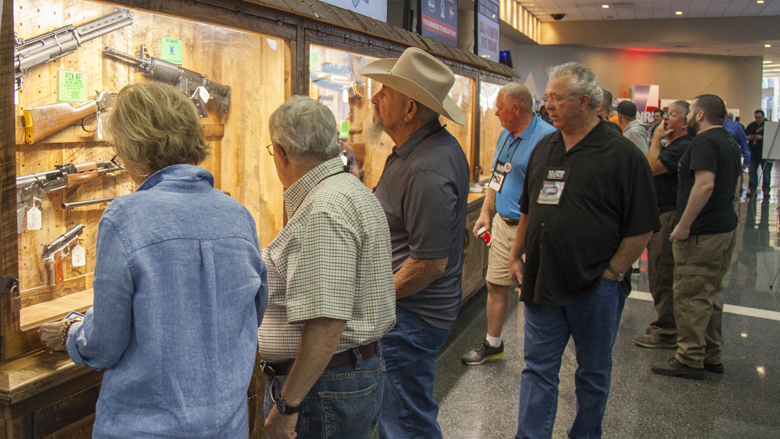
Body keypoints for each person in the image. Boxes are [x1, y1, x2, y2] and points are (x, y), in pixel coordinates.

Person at [38, 82, 269, 438]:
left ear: (134, 148)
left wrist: (71, 330)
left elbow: (105, 344)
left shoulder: (124, 218)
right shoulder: (238, 216)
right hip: (227, 427)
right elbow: (251, 314)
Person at [507, 62, 659, 439]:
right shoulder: (546, 147)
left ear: (586, 101)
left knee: (592, 372)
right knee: (537, 369)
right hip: (543, 280)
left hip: (595, 286)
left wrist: (612, 273)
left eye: (556, 98)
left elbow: (642, 225)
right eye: (547, 97)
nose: (548, 105)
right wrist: (515, 254)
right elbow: (529, 209)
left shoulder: (622, 155)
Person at [258, 96, 396, 439]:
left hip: (322, 388)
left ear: (280, 153)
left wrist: (288, 405)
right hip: (339, 379)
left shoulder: (324, 208)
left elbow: (326, 323)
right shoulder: (348, 190)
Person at [358, 47, 470, 439]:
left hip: (410, 319)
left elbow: (429, 263)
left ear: (409, 109)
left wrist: (374, 296)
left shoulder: (426, 167)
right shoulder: (419, 151)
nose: (375, 98)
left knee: (406, 423)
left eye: (385, 92)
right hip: (409, 314)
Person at [461, 83, 555, 366]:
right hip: (503, 224)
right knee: (495, 284)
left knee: (532, 292)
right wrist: (486, 211)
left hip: (533, 229)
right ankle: (493, 343)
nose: (495, 114)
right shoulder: (505, 134)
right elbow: (497, 174)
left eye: (499, 108)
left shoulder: (547, 138)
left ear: (516, 108)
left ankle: (539, 357)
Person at [651, 94, 741, 380]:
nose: (688, 117)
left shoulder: (703, 142)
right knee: (711, 293)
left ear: (700, 115)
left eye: (690, 113)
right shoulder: (728, 140)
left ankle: (689, 357)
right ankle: (711, 354)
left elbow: (704, 185)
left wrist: (684, 224)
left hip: (702, 232)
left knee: (690, 294)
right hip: (724, 227)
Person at [634, 101, 694, 349]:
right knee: (659, 272)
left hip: (669, 215)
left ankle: (667, 331)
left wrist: (656, 139)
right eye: (666, 113)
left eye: (672, 115)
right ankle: (667, 325)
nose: (666, 118)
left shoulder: (682, 146)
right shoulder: (675, 145)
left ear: (686, 122)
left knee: (663, 272)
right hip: (662, 213)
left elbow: (650, 168)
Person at [723, 112, 751, 192]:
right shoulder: (708, 124)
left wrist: (747, 159)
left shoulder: (735, 126)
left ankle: (736, 193)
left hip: (732, 157)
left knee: (735, 180)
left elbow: (743, 142)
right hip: (715, 157)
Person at [746, 110, 771, 197]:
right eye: (756, 118)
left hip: (766, 153)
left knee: (766, 173)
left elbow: (772, 138)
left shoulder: (769, 126)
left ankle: (766, 191)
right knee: (752, 172)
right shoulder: (751, 126)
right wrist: (749, 137)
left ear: (763, 117)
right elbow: (745, 135)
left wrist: (763, 137)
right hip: (753, 153)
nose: (757, 120)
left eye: (759, 118)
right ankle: (752, 190)